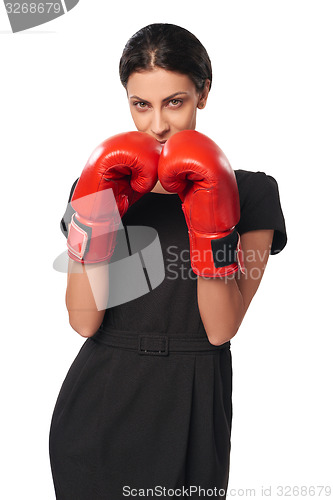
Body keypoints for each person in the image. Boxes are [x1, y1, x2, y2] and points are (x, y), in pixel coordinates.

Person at [49, 23, 287, 499]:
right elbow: (83, 321)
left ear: (203, 93)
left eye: (174, 102)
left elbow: (220, 330)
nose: (157, 124)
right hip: (99, 403)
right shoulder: (100, 181)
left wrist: (211, 219)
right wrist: (96, 208)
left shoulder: (253, 192)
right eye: (141, 104)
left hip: (193, 403)